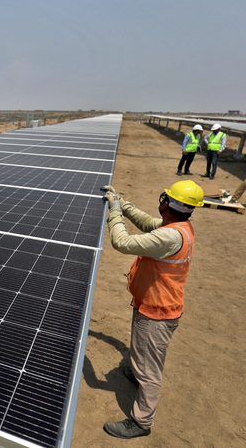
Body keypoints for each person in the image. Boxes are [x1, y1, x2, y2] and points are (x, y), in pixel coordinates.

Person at [100, 180, 204, 439]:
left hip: (158, 313)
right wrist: (123, 204)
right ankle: (135, 372)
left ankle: (141, 421)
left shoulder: (170, 236)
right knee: (141, 351)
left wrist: (113, 211)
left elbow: (121, 242)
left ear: (166, 203)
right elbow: (148, 223)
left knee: (150, 370)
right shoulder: (179, 227)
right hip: (153, 305)